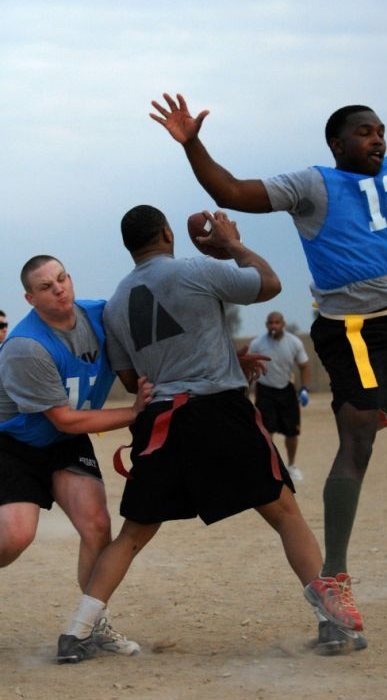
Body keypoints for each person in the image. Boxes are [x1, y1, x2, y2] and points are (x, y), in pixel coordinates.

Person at [149, 92, 387, 653]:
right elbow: (232, 192)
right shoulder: (312, 186)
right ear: (337, 144)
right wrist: (192, 142)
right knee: (358, 440)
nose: (379, 140)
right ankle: (333, 578)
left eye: (382, 131)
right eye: (366, 132)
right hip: (349, 330)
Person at [58, 205, 367, 663]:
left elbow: (130, 379)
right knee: (284, 511)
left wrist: (216, 358)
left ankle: (77, 630)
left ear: (130, 246)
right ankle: (332, 622)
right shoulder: (197, 270)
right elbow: (269, 284)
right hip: (217, 411)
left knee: (134, 532)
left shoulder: (117, 304)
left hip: (161, 422)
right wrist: (231, 244)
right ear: (166, 232)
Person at [0, 255, 153, 656]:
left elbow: (157, 331)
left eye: (62, 278)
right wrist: (133, 413)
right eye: (46, 287)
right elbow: (65, 419)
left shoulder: (101, 315)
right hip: (15, 444)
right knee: (15, 536)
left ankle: (91, 623)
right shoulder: (25, 347)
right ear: (30, 298)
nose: (59, 289)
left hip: (64, 441)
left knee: (97, 525)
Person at [249, 311, 311, 481]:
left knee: (292, 432)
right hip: (265, 391)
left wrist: (304, 388)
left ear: (283, 324)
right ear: (266, 325)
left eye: (277, 322)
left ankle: (291, 466)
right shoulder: (257, 343)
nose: (274, 326)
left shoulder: (294, 342)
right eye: (271, 323)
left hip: (287, 390)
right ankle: (269, 468)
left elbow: (304, 366)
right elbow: (247, 367)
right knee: (266, 433)